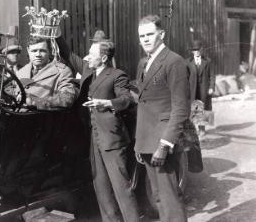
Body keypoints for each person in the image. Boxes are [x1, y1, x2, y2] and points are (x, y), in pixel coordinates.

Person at [58, 36, 141, 222]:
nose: (87, 57)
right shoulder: (88, 70)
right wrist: (56, 32)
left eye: (91, 54)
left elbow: (126, 99)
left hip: (112, 139)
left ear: (103, 58)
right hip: (94, 140)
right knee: (101, 188)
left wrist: (108, 103)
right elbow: (68, 54)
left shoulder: (117, 75)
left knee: (121, 188)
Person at [134, 15, 190, 222]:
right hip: (146, 141)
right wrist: (139, 144)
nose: (146, 39)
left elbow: (180, 109)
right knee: (158, 198)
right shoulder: (143, 63)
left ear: (162, 34)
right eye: (142, 36)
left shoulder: (174, 61)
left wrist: (165, 145)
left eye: (150, 34)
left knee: (169, 200)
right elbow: (144, 102)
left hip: (162, 142)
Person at [17, 36, 77, 110]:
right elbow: (11, 90)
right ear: (28, 51)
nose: (38, 54)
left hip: (44, 118)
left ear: (49, 51)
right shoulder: (21, 72)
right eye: (34, 51)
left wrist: (36, 102)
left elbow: (67, 99)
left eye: (42, 51)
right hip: (18, 117)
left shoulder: (62, 71)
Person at [186, 40, 215, 136]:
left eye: (198, 49)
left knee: (205, 108)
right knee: (195, 108)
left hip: (204, 89)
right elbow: (185, 77)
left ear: (201, 50)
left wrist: (211, 87)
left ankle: (202, 129)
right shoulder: (188, 62)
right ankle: (196, 128)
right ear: (192, 51)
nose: (197, 51)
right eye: (194, 50)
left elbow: (212, 76)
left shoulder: (207, 61)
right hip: (193, 89)